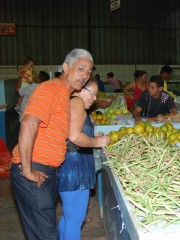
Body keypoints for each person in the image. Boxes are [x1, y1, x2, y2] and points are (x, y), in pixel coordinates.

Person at [10, 48, 94, 240]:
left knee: (43, 233)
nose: (85, 75)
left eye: (89, 71)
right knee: (46, 235)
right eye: (80, 69)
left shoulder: (64, 96)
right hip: (34, 171)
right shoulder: (51, 89)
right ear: (65, 67)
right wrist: (28, 169)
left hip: (48, 172)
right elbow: (28, 122)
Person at [58, 79, 110, 240]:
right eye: (92, 93)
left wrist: (91, 136)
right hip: (74, 169)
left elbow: (71, 131)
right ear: (80, 89)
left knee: (69, 217)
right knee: (75, 219)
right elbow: (73, 137)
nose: (94, 98)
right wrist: (96, 142)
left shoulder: (73, 102)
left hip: (72, 165)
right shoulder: (77, 102)